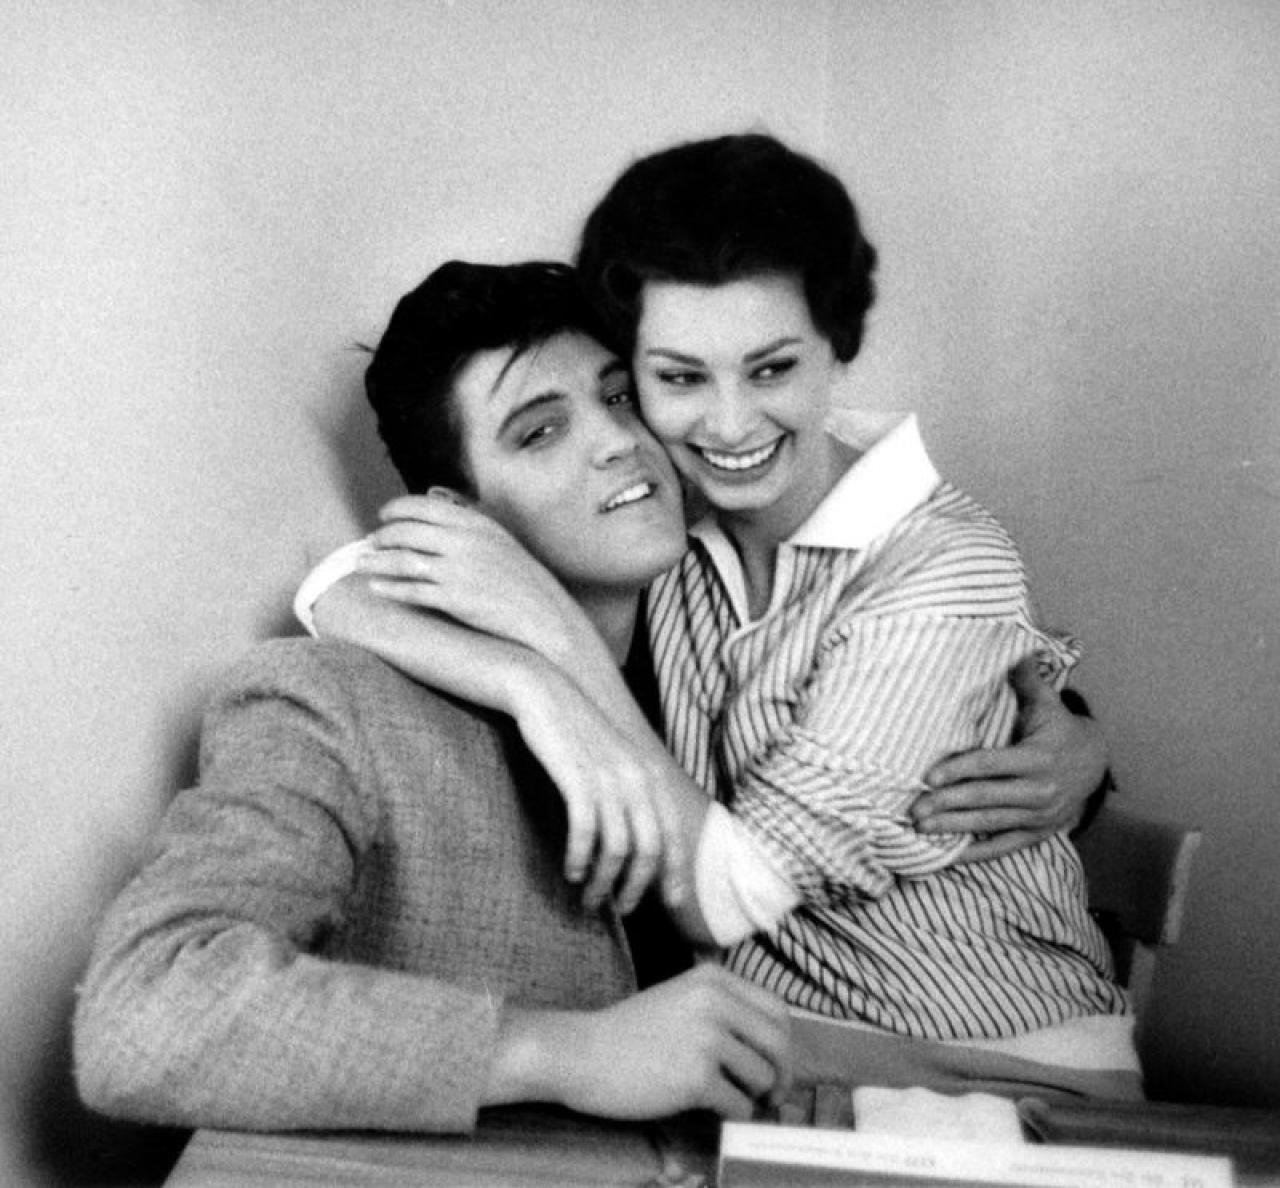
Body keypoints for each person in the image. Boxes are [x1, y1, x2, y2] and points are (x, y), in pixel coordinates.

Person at [299, 135, 1139, 1100]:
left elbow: (731, 895)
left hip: (999, 1071)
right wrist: (535, 686)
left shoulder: (920, 559)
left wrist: (558, 648)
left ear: (837, 350)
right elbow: (336, 583)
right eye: (678, 379)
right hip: (778, 1053)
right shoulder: (679, 517)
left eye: (770, 370)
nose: (727, 425)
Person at [72, 261, 793, 1135]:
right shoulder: (334, 706)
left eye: (620, 396)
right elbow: (142, 1014)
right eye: (540, 432)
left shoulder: (738, 639)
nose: (616, 439)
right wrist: (559, 1051)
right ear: (458, 517)